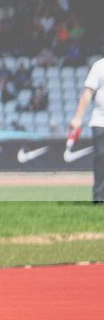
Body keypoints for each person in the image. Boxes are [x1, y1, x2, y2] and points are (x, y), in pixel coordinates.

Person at [69, 52, 104, 205]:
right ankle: (99, 199)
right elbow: (87, 93)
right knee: (101, 159)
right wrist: (78, 117)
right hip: (100, 121)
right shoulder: (99, 66)